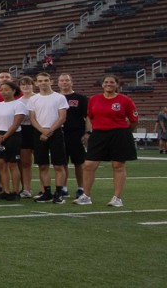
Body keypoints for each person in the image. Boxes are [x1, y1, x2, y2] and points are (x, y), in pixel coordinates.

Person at [77, 75, 139, 207]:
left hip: (120, 134)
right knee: (89, 165)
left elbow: (133, 121)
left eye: (112, 82)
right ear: (102, 84)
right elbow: (90, 117)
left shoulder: (125, 100)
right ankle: (86, 196)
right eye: (106, 82)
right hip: (99, 134)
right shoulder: (94, 99)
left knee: (118, 166)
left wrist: (125, 132)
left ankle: (117, 198)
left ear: (117, 85)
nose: (108, 84)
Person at [29, 73, 69, 203]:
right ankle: (46, 192)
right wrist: (42, 131)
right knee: (42, 165)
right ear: (36, 83)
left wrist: (49, 131)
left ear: (51, 82)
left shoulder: (59, 97)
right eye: (40, 81)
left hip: (55, 133)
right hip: (39, 133)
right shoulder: (33, 99)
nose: (43, 83)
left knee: (58, 165)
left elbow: (62, 117)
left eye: (46, 80)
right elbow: (32, 118)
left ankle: (59, 193)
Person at [0, 82, 26, 201]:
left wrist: (4, 137)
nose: (3, 92)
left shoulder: (19, 104)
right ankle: (5, 190)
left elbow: (16, 123)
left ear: (14, 91)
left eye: (6, 90)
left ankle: (15, 192)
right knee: (1, 164)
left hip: (12, 136)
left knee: (12, 164)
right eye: (1, 90)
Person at [57, 73, 89, 200]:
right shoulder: (54, 98)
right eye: (62, 80)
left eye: (67, 80)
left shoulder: (80, 98)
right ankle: (63, 188)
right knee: (61, 162)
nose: (64, 82)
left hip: (76, 133)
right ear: (58, 83)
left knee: (79, 162)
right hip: (59, 133)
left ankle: (81, 187)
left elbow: (88, 117)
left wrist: (87, 133)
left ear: (71, 82)